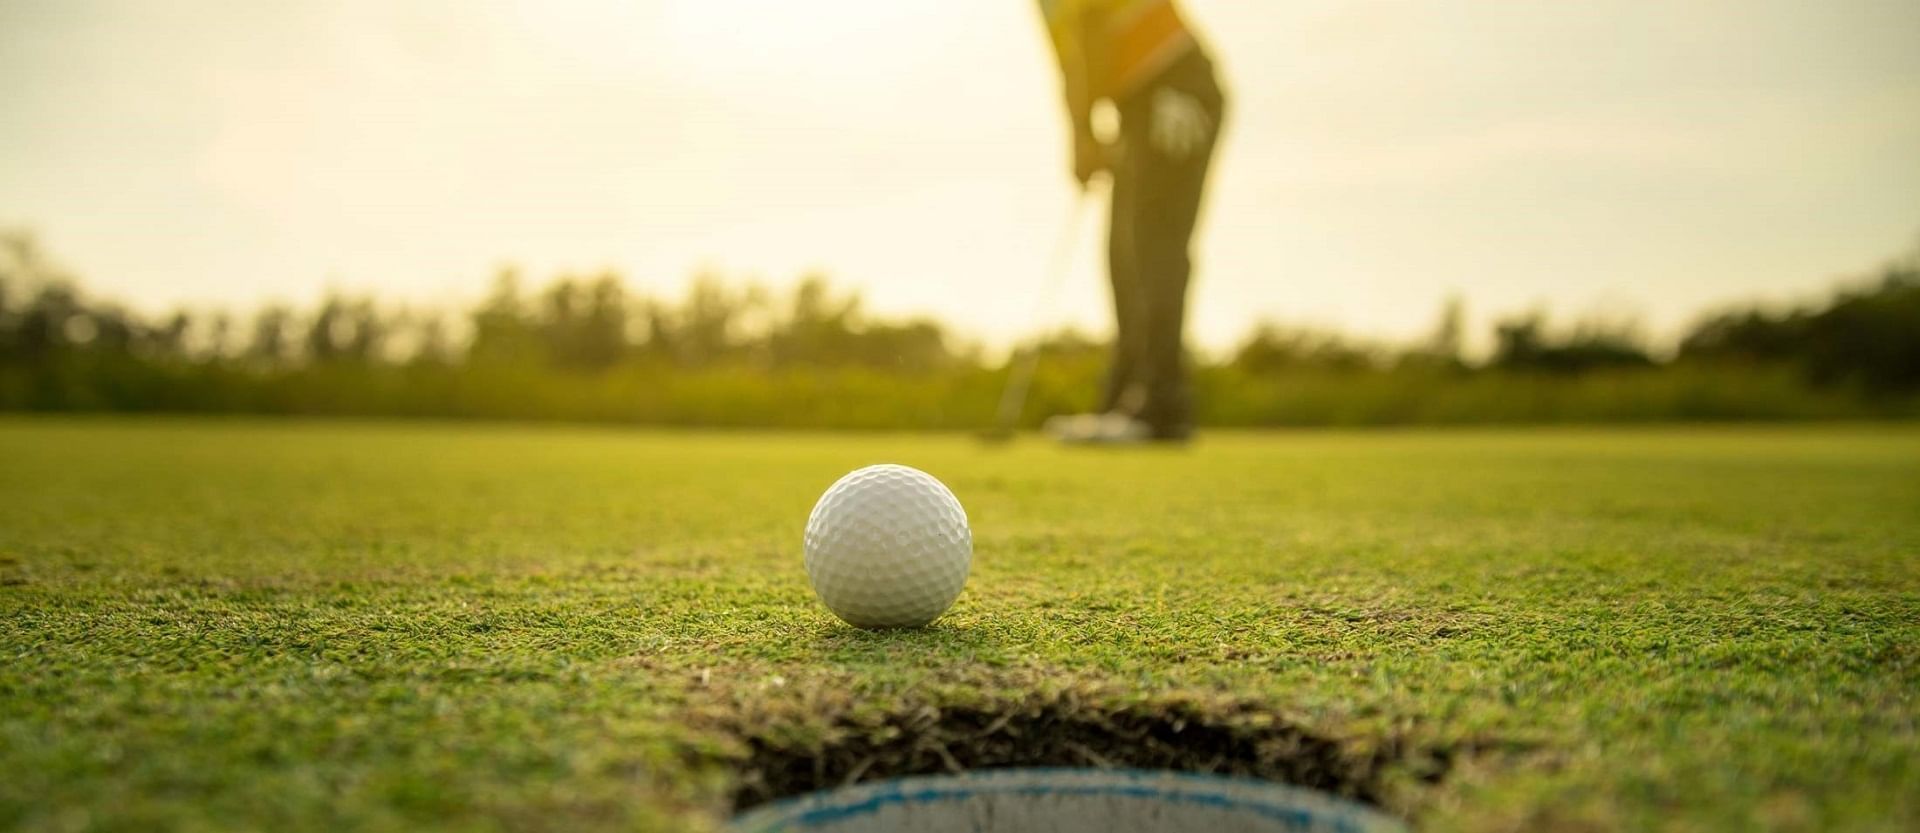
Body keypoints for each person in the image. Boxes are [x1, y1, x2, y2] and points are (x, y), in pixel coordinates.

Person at [1038, 0, 1225, 443]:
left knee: (1153, 249)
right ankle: (1124, 402)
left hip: (1176, 90)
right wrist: (1083, 128)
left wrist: (1082, 132)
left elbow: (1091, 40)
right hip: (1135, 105)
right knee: (1123, 253)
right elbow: (1070, 60)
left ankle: (1161, 408)